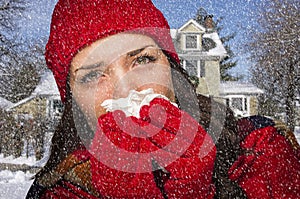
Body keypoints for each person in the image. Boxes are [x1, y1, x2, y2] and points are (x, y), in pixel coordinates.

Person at [26, 0, 299, 198]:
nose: (126, 90)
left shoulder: (263, 152)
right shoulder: (59, 192)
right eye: (93, 75)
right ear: (74, 105)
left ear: (171, 69)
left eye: (142, 59)